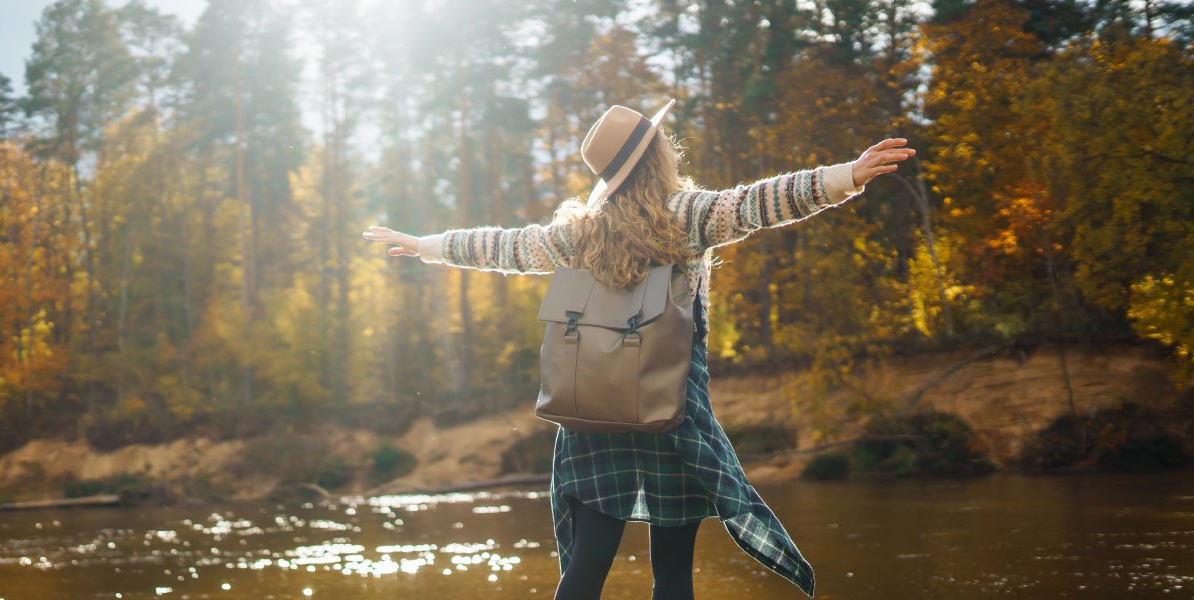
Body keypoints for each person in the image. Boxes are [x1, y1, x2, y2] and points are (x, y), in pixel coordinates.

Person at [363, 99, 913, 600]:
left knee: (586, 568)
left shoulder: (578, 232)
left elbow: (504, 246)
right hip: (670, 406)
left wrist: (425, 245)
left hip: (592, 408)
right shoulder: (688, 216)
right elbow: (759, 204)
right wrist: (847, 175)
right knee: (672, 574)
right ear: (658, 156)